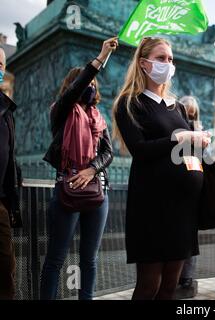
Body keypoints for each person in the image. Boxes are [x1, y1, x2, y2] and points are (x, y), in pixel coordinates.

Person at [113, 37, 211, 300]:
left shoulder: (177, 106)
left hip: (183, 208)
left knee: (171, 285)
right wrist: (178, 138)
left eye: (170, 59)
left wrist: (198, 142)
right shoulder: (129, 103)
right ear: (144, 63)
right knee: (149, 285)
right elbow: (140, 150)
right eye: (161, 58)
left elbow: (185, 150)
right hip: (152, 205)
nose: (167, 63)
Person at [40, 37, 117, 300]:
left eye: (94, 85)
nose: (90, 87)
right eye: (86, 83)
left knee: (90, 260)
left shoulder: (98, 117)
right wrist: (101, 57)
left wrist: (92, 169)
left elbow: (108, 152)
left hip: (97, 192)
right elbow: (77, 88)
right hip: (67, 192)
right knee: (55, 259)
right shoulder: (61, 111)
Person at [0, 47, 22, 300]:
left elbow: (9, 153)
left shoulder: (7, 110)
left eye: (1, 64)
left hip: (1, 202)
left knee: (6, 269)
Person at [177, 95, 201, 291]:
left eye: (193, 115)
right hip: (176, 187)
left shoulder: (198, 132)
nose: (190, 119)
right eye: (187, 114)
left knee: (190, 236)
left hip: (192, 190)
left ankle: (187, 276)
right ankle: (176, 275)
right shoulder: (174, 131)